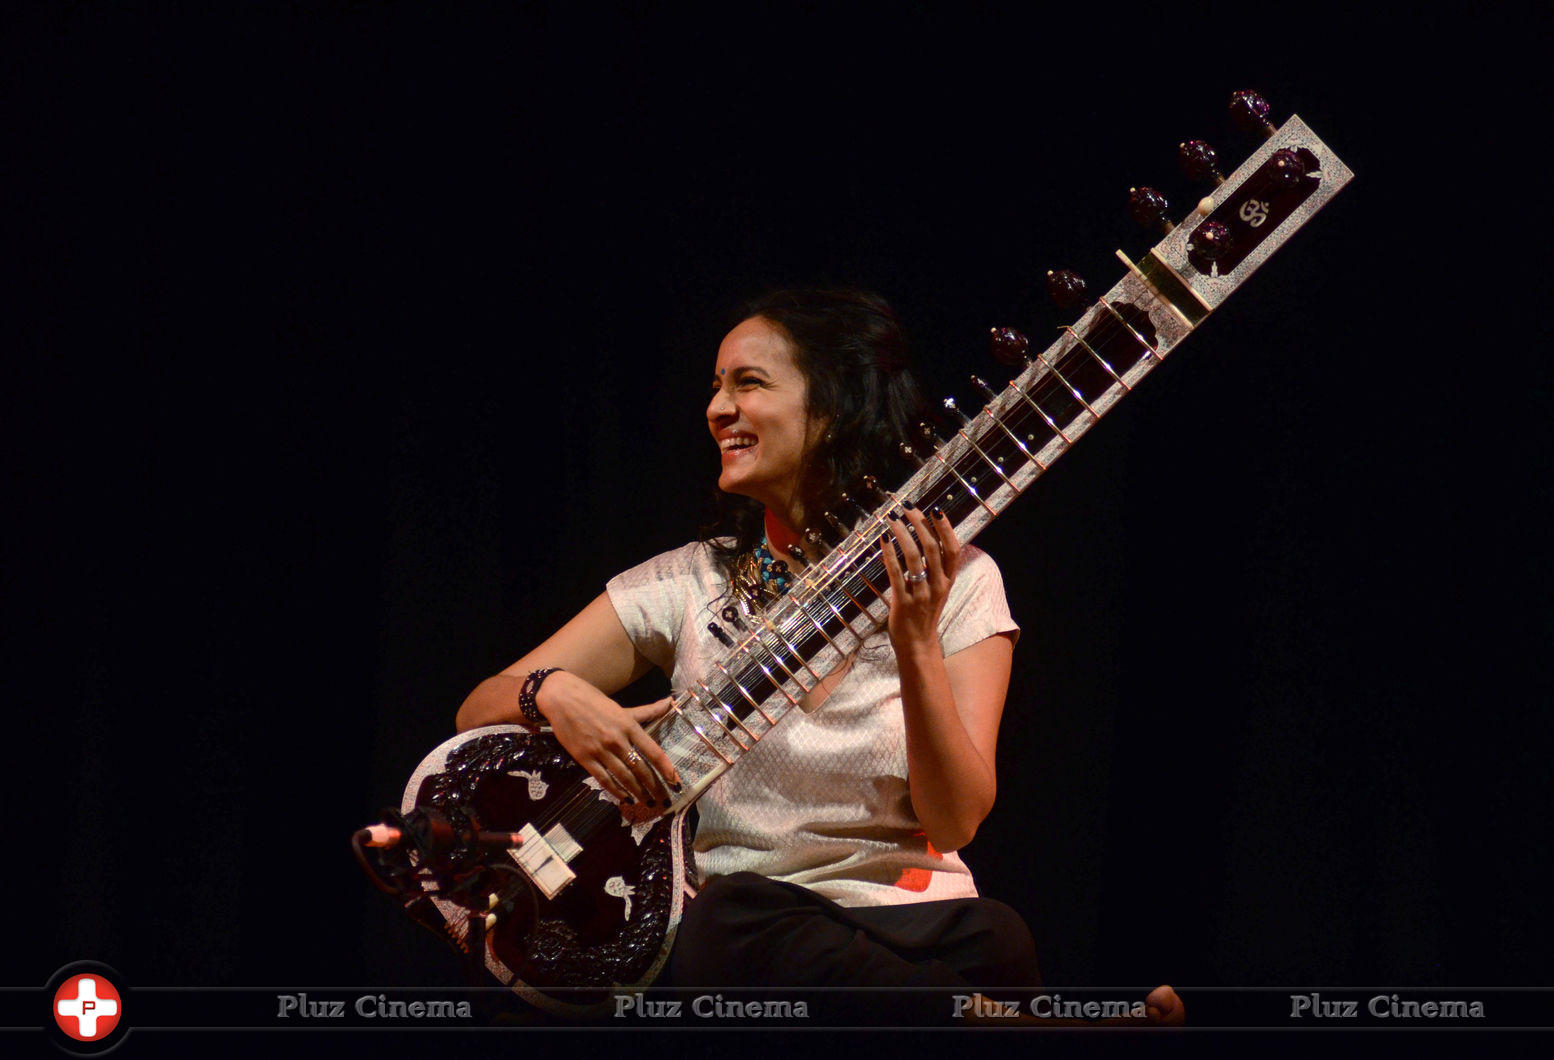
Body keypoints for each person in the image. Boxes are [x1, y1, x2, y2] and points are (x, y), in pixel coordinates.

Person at [455, 288, 1182, 1021]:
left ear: (833, 407)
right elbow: (478, 707)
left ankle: (967, 1011)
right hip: (754, 923)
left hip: (905, 918)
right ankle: (994, 1021)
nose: (716, 409)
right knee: (725, 924)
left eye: (749, 383)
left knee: (997, 935)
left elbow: (956, 822)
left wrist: (917, 643)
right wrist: (550, 694)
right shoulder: (687, 582)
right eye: (715, 387)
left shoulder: (961, 580)